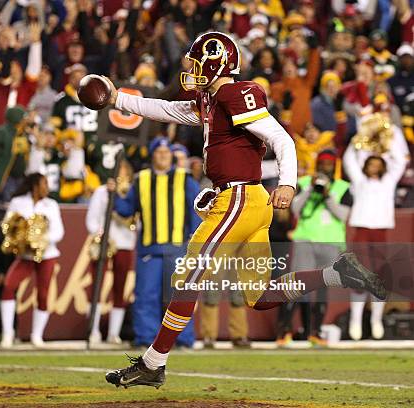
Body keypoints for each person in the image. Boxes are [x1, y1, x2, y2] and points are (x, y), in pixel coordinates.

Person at [102, 31, 386, 388]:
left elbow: (281, 137)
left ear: (215, 61)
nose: (190, 68)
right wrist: (117, 98)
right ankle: (337, 273)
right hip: (242, 202)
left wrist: (287, 182)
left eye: (196, 60)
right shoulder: (213, 99)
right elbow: (166, 109)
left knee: (189, 274)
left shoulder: (236, 93)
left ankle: (153, 363)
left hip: (239, 201)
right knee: (260, 296)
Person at [111, 138, 201, 348]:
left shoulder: (184, 178)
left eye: (166, 152)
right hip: (149, 249)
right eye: (158, 152)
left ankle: (182, 339)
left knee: (179, 297)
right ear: (152, 155)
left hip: (179, 248)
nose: (162, 155)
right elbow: (126, 209)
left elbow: (196, 209)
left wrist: (195, 240)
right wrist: (114, 193)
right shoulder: (141, 179)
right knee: (145, 295)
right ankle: (145, 338)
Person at [343, 124, 407, 341]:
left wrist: (390, 131)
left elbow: (399, 160)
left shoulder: (389, 182)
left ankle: (376, 319)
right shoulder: (359, 182)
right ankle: (355, 320)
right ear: (365, 166)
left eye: (377, 164)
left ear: (382, 167)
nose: (373, 167)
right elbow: (349, 160)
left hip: (381, 231)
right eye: (370, 164)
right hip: (361, 230)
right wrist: (359, 138)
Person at [289, 150, 353, 347]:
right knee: (302, 287)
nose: (326, 167)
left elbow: (343, 215)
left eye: (329, 164)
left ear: (334, 165)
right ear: (317, 164)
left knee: (324, 289)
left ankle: (316, 332)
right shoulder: (304, 182)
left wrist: (327, 197)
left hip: (330, 242)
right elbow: (295, 209)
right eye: (323, 163)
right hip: (305, 240)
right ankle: (301, 330)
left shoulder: (343, 187)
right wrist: (309, 189)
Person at [0, 173, 64, 348]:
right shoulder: (18, 202)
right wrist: (23, 241)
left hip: (47, 255)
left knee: (43, 294)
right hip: (25, 256)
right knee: (8, 286)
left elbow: (59, 232)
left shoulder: (51, 205)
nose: (47, 187)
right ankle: (7, 333)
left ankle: (37, 335)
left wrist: (39, 241)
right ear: (35, 186)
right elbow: (8, 225)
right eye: (44, 183)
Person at [86, 160, 137, 345]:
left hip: (124, 243)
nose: (120, 174)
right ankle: (93, 330)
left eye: (124, 171)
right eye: (118, 171)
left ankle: (114, 333)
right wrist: (101, 235)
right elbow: (91, 219)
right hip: (104, 243)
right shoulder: (101, 192)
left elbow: (136, 221)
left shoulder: (132, 192)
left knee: (119, 288)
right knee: (97, 286)